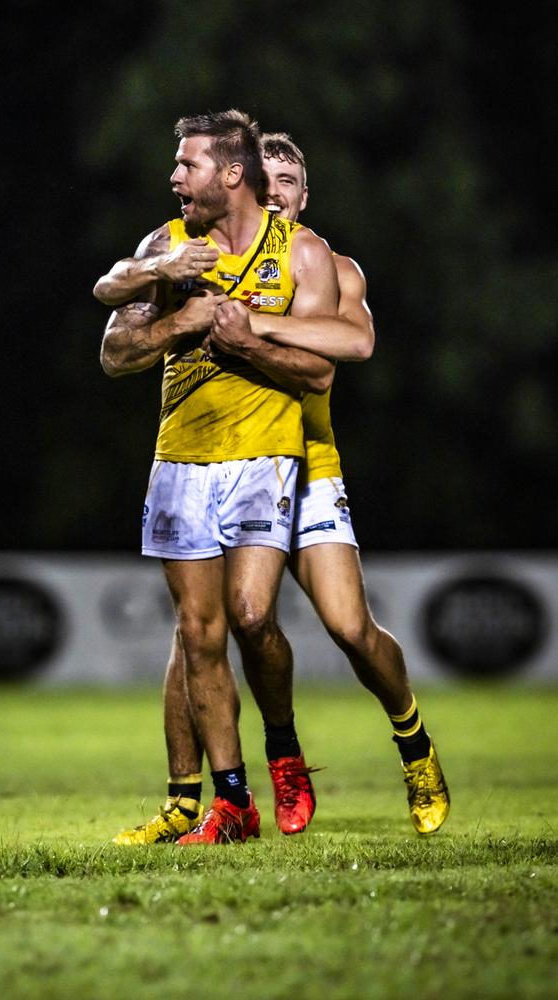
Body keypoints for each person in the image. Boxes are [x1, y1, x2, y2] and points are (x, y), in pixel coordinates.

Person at [95, 130, 450, 843]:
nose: (279, 193)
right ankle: (198, 796)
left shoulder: (327, 266)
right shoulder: (199, 247)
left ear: (306, 195)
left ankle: (414, 745)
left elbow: (348, 349)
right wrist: (168, 297)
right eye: (271, 180)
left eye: (292, 183)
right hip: (222, 456)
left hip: (308, 463)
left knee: (347, 626)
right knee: (200, 633)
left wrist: (242, 324)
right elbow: (113, 310)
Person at [97, 110, 347, 844]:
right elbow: (114, 347)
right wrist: (175, 309)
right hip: (178, 465)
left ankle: (284, 744)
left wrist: (245, 339)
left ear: (231, 174)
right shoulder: (167, 248)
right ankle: (230, 804)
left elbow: (321, 368)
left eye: (188, 165)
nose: (175, 177)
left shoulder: (298, 253)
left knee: (249, 615)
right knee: (199, 635)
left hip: (265, 459)